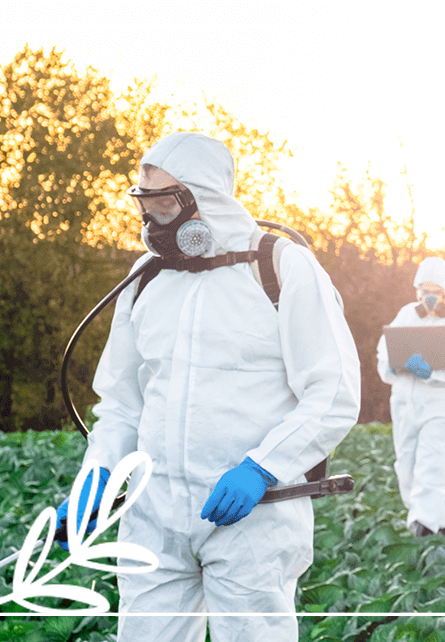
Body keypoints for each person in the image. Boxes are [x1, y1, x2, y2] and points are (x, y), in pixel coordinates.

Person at [59, 131, 361, 641]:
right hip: (152, 513)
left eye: (163, 202)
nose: (150, 218)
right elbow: (121, 402)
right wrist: (99, 475)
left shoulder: (280, 267)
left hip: (252, 518)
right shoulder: (147, 278)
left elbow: (333, 393)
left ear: (203, 198)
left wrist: (262, 467)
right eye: (144, 202)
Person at [376, 257, 445, 536]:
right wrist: (391, 364)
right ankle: (437, 525)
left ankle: (422, 527)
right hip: (403, 402)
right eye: (424, 291)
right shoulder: (406, 314)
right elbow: (384, 349)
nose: (429, 297)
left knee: (433, 463)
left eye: (435, 291)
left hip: (439, 403)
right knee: (406, 467)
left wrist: (432, 372)